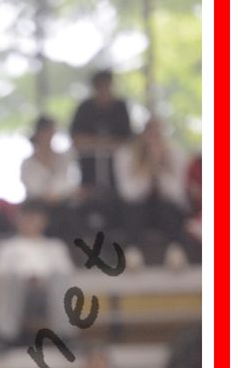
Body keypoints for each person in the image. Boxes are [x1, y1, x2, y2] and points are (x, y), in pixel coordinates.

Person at [0, 200, 73, 347]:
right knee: (10, 280)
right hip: (17, 292)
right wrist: (24, 279)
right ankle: (5, 336)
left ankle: (65, 335)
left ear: (44, 222)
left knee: (58, 280)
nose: (30, 223)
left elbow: (65, 271)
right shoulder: (6, 247)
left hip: (47, 292)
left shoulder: (56, 246)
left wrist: (41, 280)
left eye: (35, 219)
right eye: (27, 218)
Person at [113, 117, 194, 265]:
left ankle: (175, 250)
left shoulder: (174, 153)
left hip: (164, 209)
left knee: (169, 208)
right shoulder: (126, 154)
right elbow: (128, 193)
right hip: (137, 208)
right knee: (133, 209)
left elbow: (178, 195)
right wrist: (147, 168)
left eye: (157, 135)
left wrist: (159, 169)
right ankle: (132, 251)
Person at [69, 69, 132, 201]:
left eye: (107, 86)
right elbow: (77, 141)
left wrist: (94, 143)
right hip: (88, 177)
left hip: (117, 179)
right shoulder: (84, 109)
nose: (104, 91)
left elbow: (126, 142)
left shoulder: (120, 108)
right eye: (100, 86)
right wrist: (107, 143)